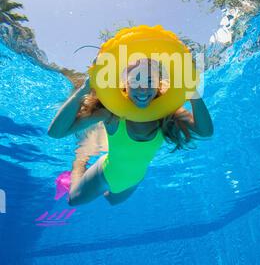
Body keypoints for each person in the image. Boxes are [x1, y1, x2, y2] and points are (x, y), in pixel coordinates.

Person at [48, 58, 213, 206]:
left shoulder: (167, 112)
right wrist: (84, 89)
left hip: (134, 180)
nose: (142, 89)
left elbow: (205, 132)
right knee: (72, 201)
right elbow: (55, 133)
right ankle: (79, 162)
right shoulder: (113, 113)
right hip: (105, 174)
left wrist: (193, 91)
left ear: (158, 84)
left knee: (112, 201)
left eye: (149, 81)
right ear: (125, 85)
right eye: (135, 81)